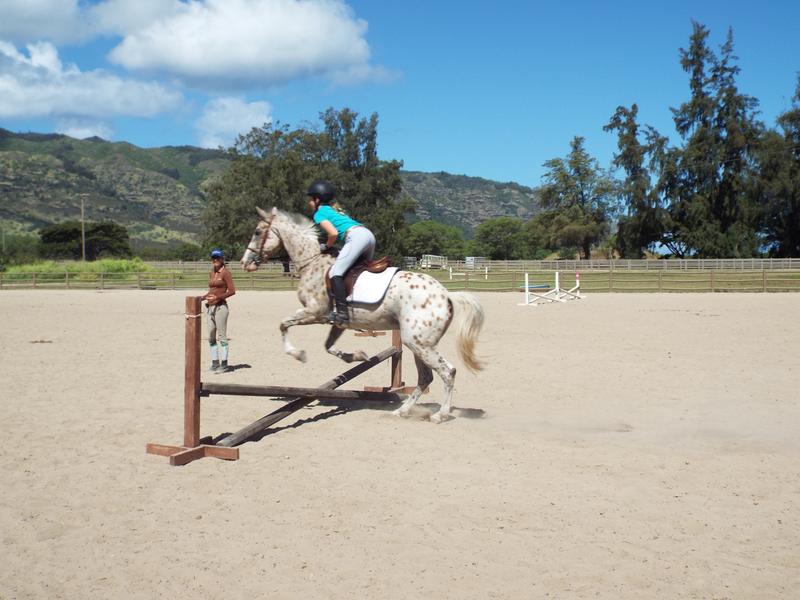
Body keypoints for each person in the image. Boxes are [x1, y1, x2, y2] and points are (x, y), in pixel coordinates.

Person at [307, 180, 376, 326]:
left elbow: (332, 234)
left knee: (335, 273)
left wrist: (326, 246)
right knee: (358, 273)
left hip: (356, 237)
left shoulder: (319, 213)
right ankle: (362, 308)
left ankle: (342, 314)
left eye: (310, 199)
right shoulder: (335, 210)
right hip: (368, 236)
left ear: (317, 199)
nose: (309, 203)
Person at [202, 248, 236, 373]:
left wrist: (218, 297)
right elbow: (211, 291)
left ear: (222, 259)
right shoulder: (212, 273)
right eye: (213, 258)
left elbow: (232, 291)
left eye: (217, 258)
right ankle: (215, 362)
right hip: (210, 307)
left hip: (221, 307)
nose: (215, 260)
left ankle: (224, 364)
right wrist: (203, 297)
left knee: (221, 336)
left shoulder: (226, 273)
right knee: (211, 336)